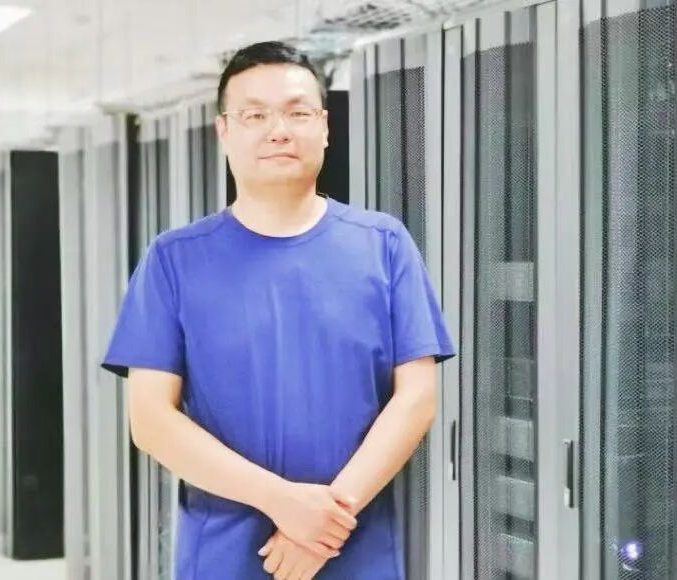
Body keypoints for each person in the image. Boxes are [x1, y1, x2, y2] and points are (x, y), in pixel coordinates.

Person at [101, 40, 455, 580]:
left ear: (325, 126)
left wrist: (324, 525)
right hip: (224, 551)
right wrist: (285, 504)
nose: (278, 131)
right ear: (224, 131)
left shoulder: (383, 244)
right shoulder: (173, 260)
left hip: (354, 543)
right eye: (255, 115)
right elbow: (151, 420)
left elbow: (416, 399)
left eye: (297, 113)